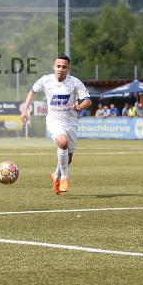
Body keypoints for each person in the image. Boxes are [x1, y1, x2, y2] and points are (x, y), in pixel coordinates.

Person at [20, 54, 91, 195]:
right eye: (58, 66)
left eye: (64, 67)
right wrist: (24, 109)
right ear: (54, 67)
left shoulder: (75, 82)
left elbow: (88, 101)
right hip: (54, 121)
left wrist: (80, 106)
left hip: (71, 123)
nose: (61, 69)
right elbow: (32, 91)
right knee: (63, 143)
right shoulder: (46, 80)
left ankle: (56, 175)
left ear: (68, 68)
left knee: (68, 156)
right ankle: (64, 178)